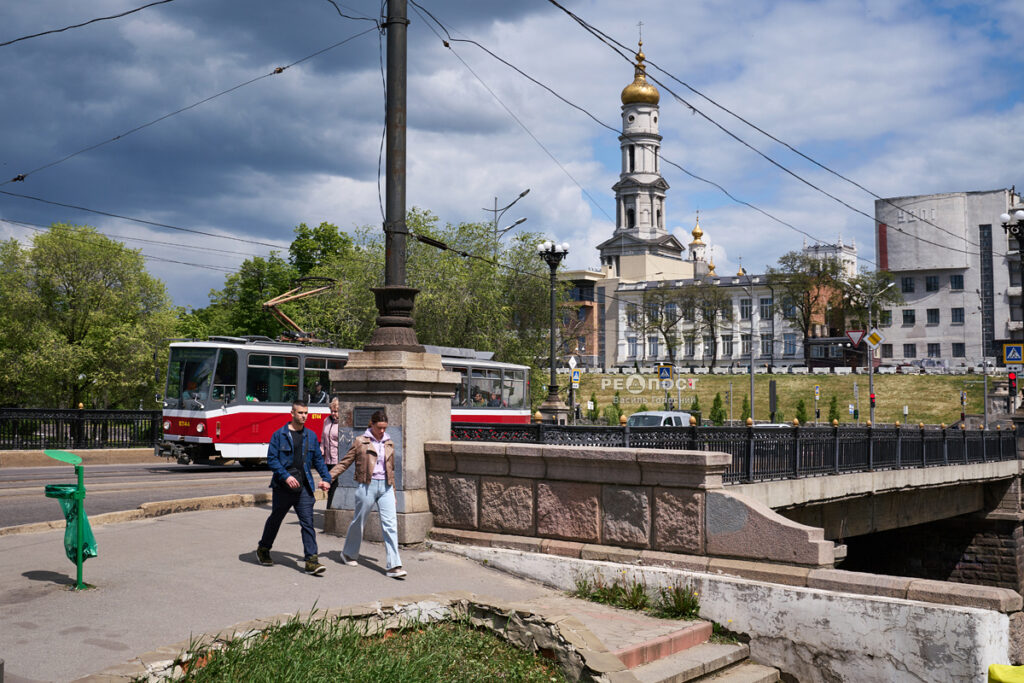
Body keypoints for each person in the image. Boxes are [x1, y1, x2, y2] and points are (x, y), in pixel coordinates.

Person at [255, 400, 331, 575]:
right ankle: (264, 549)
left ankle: (311, 560)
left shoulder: (311, 436)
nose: (304, 416)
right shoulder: (279, 435)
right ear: (292, 413)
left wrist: (326, 478)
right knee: (276, 519)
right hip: (283, 487)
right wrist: (286, 476)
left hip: (304, 487)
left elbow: (319, 460)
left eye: (306, 413)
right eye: (300, 413)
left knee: (308, 523)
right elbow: (272, 460)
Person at [329, 409, 406, 579]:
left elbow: (391, 470)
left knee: (390, 525)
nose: (382, 431)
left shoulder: (389, 443)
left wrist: (393, 492)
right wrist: (328, 478)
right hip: (367, 486)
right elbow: (345, 462)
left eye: (385, 428)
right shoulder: (360, 442)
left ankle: (394, 565)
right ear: (371, 424)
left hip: (385, 487)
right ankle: (348, 553)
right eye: (379, 427)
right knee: (359, 522)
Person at [320, 397, 341, 509]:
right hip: (327, 459)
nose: (333, 413)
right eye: (332, 411)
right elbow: (323, 438)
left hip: (338, 460)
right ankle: (331, 509)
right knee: (329, 486)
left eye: (336, 411)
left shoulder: (343, 423)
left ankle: (330, 509)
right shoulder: (326, 421)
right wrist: (321, 450)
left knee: (333, 486)